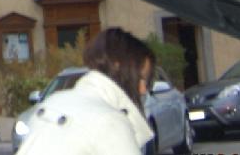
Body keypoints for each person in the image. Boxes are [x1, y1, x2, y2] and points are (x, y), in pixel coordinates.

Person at [17, 28, 156, 155]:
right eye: (140, 78)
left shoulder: (54, 101)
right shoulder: (109, 121)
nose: (143, 90)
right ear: (117, 65)